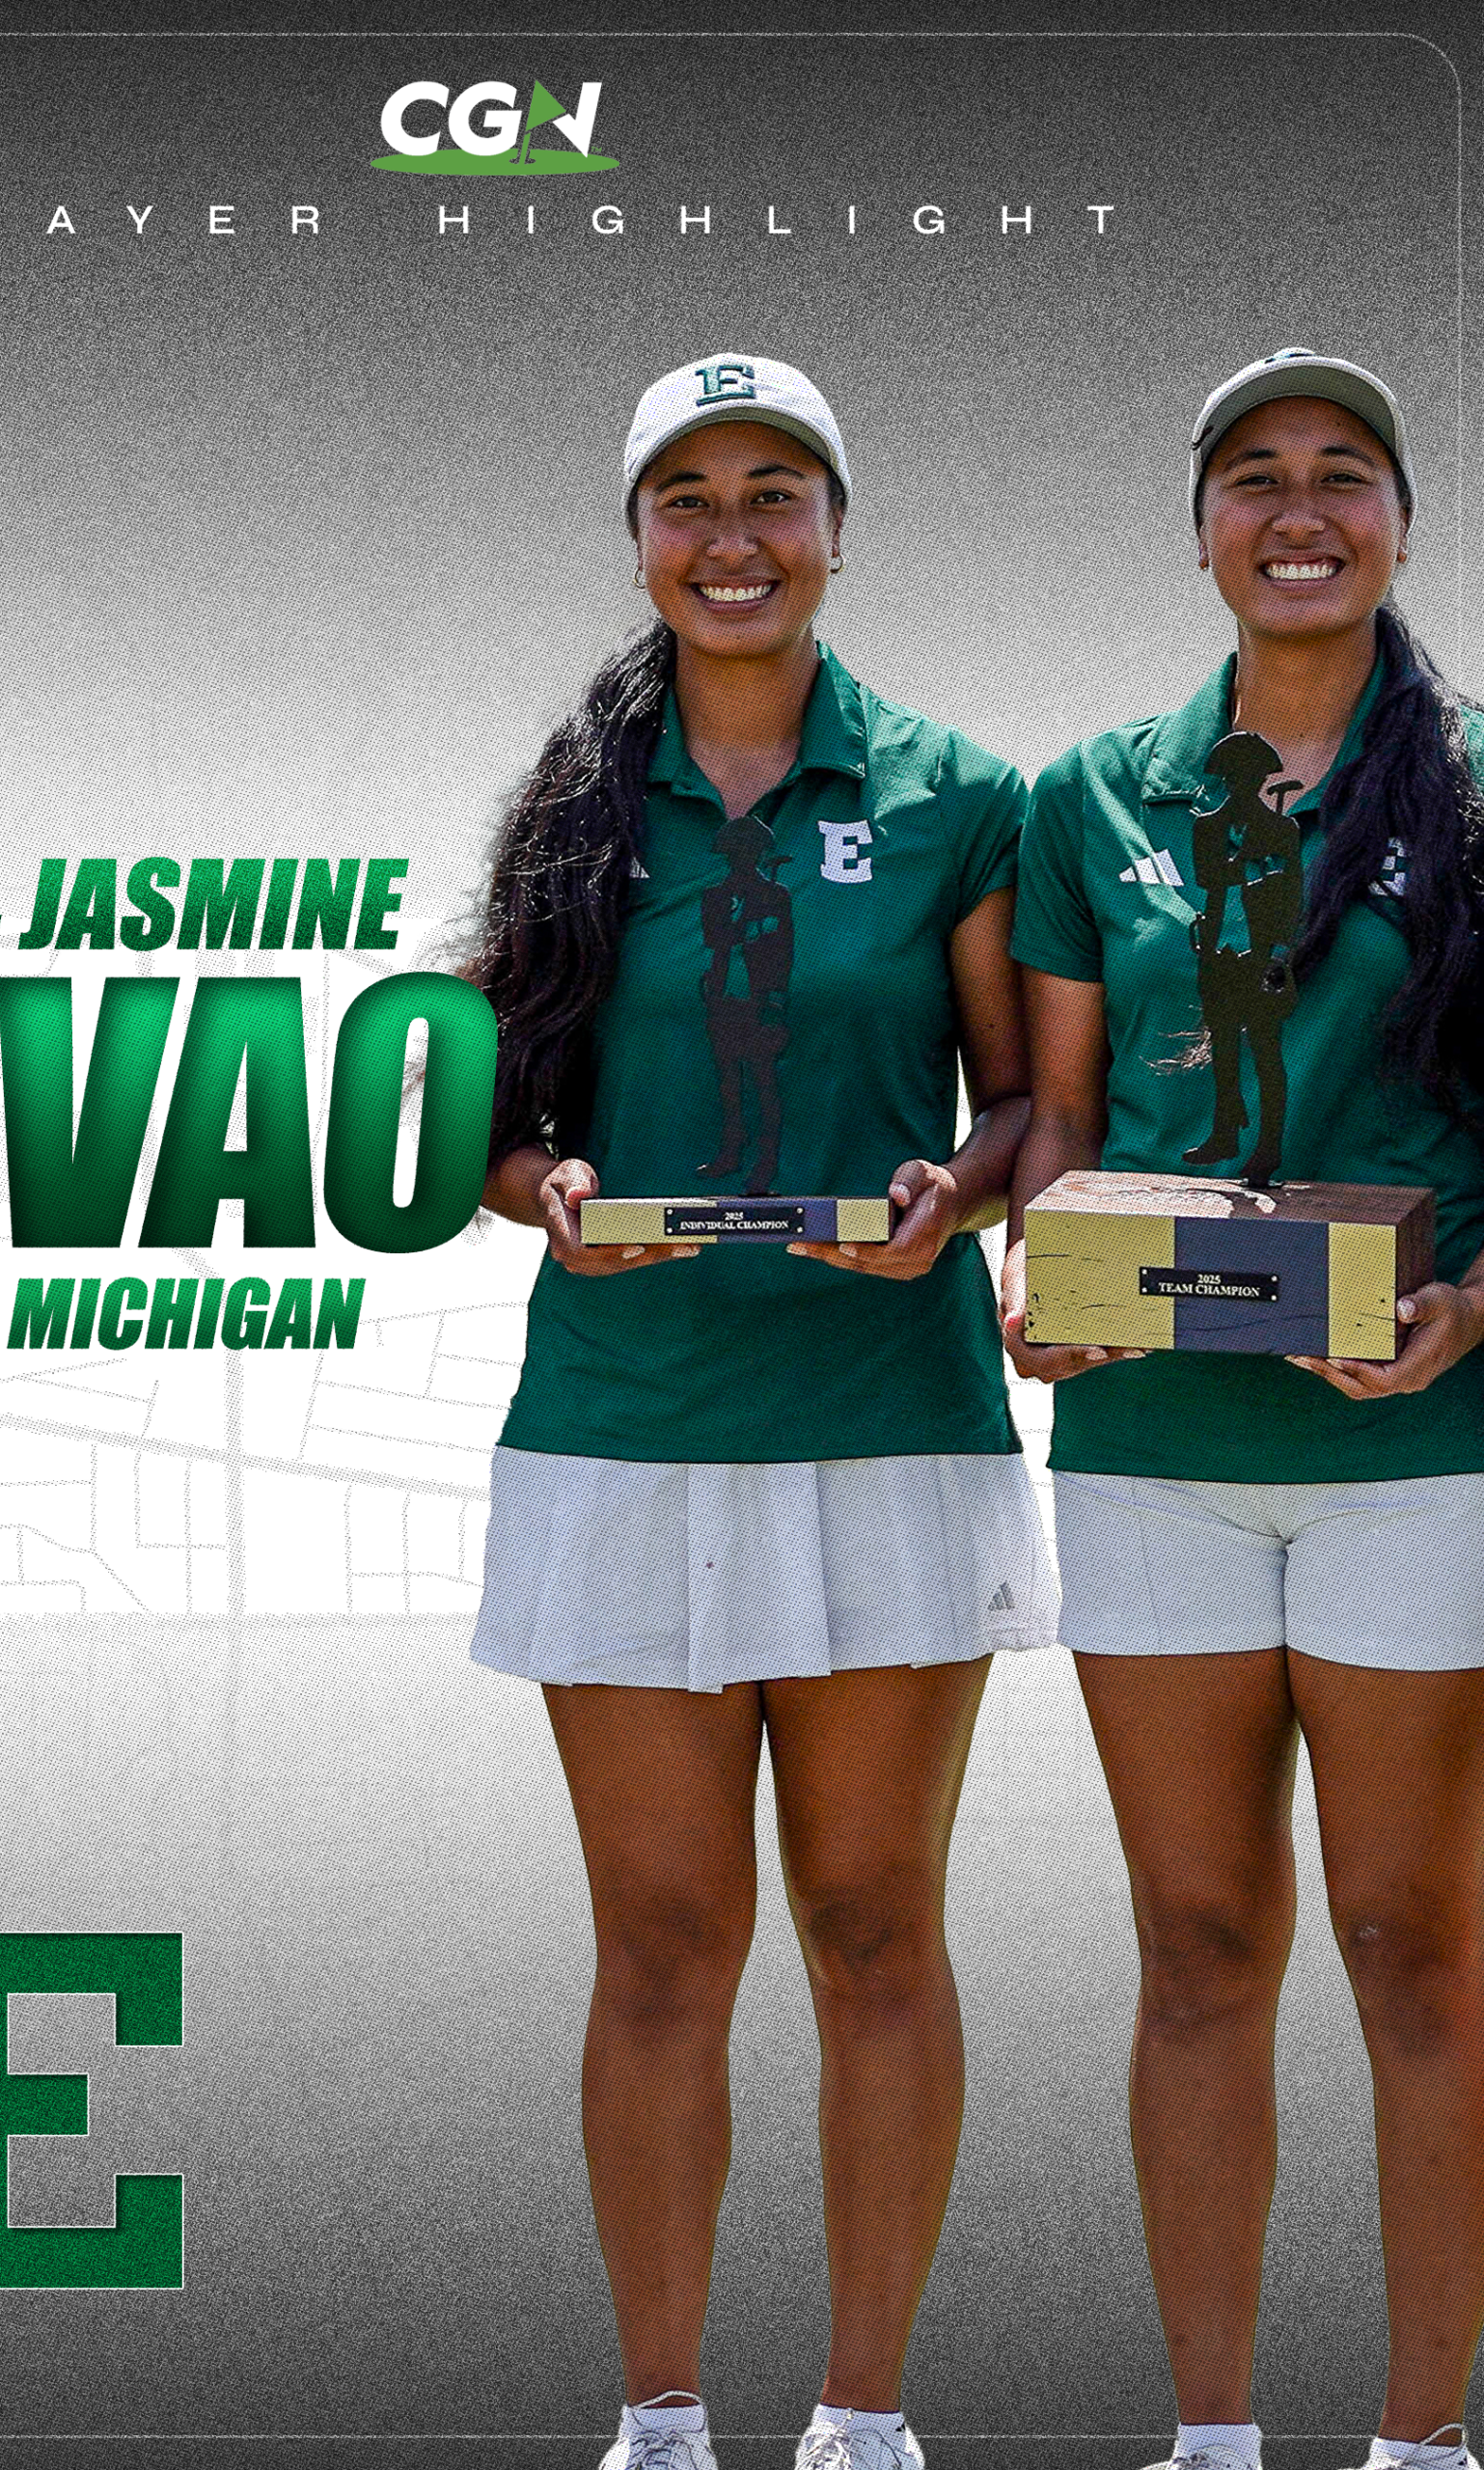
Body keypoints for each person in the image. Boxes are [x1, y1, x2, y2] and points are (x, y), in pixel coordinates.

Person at [465, 353, 1056, 2470]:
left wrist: (954, 1192)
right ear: (637, 536)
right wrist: (538, 1186)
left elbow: (1019, 1102)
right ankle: (654, 2416)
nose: (732, 534)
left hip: (882, 1416)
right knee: (661, 1939)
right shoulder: (566, 802)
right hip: (619, 1420)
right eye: (688, 496)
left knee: (874, 1915)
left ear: (835, 523)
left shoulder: (959, 795)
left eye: (776, 491)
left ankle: (866, 2413)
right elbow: (475, 1111)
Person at [1004, 348, 1484, 2470]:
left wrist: (1466, 1303)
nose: (1301, 510)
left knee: (1411, 1942)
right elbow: (1058, 1117)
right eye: (1255, 478)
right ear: (1197, 529)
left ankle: (1421, 2439)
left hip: (1415, 1457)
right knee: (1196, 1942)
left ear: (1400, 519)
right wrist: (1043, 1259)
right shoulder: (1089, 794)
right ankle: (1209, 2438)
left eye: (1344, 476)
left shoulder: (1476, 784)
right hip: (1153, 1463)